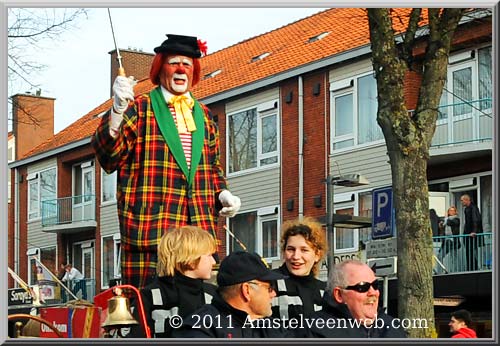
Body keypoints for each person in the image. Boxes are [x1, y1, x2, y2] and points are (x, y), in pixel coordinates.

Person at [92, 34, 241, 289]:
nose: (181, 69)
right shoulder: (140, 108)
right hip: (152, 237)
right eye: (174, 62)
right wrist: (116, 110)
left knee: (200, 318)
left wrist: (223, 192)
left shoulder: (204, 116)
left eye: (187, 64)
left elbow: (211, 166)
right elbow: (109, 156)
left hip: (198, 239)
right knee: (150, 318)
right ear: (160, 68)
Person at [171, 251, 289, 338]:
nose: (274, 293)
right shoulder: (201, 329)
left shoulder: (270, 327)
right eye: (269, 288)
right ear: (246, 291)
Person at [127, 226, 217, 338]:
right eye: (209, 255)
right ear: (190, 259)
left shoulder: (214, 295)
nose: (214, 261)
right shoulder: (148, 297)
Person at [308, 260, 407, 338]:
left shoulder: (393, 327)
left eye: (375, 285)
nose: (373, 292)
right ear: (339, 295)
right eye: (362, 287)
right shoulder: (313, 331)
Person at [271, 217, 327, 320]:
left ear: (317, 255)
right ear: (283, 252)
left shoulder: (324, 290)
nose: (296, 256)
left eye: (304, 250)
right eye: (291, 249)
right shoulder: (270, 284)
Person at [460, 194, 483, 271]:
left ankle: (473, 268)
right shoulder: (467, 209)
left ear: (467, 200)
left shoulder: (473, 208)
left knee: (471, 251)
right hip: (468, 234)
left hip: (472, 234)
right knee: (469, 251)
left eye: (462, 200)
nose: (461, 202)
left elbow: (476, 220)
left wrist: (474, 231)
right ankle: (470, 267)